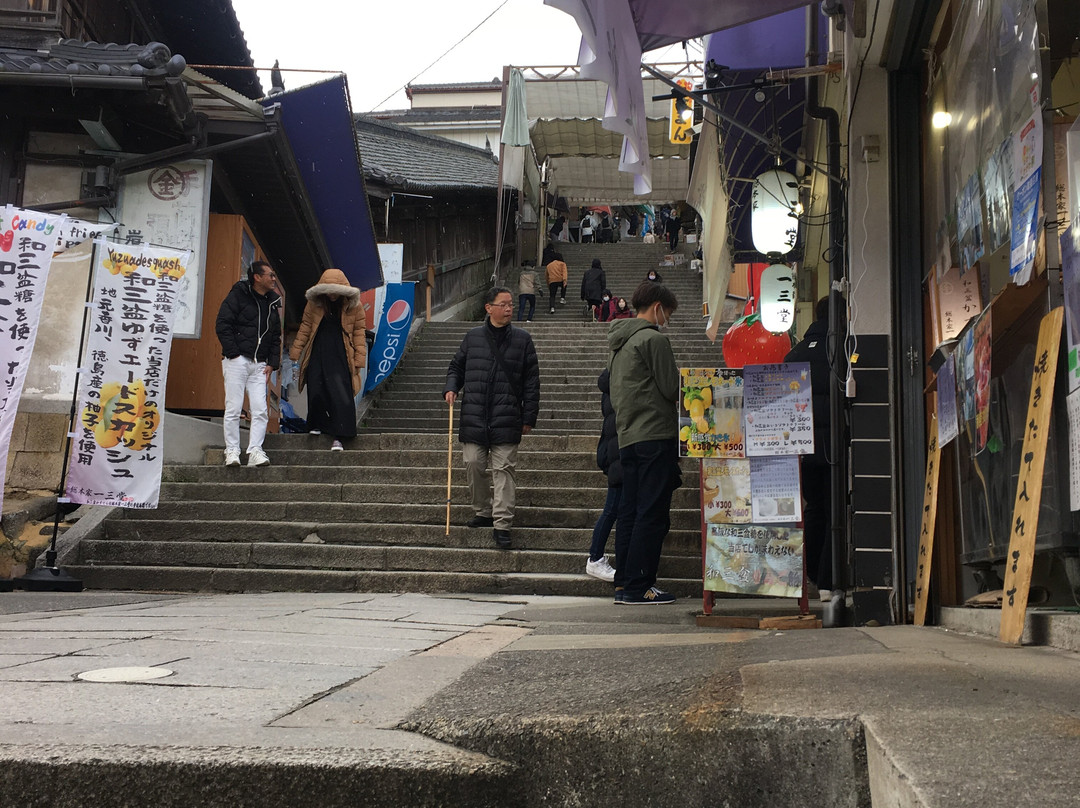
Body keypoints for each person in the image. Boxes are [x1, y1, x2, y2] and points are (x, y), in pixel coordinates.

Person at [444, 287, 541, 549]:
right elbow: (456, 366)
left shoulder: (523, 340)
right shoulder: (473, 337)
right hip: (475, 415)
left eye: (511, 304)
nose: (509, 309)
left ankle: (502, 523)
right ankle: (483, 510)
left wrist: (529, 415)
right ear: (489, 308)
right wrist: (451, 387)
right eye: (504, 304)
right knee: (473, 463)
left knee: (504, 470)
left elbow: (532, 382)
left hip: (507, 416)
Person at [607, 281, 681, 604]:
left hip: (628, 439)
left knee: (629, 511)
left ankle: (624, 583)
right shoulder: (653, 340)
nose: (667, 320)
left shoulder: (619, 344)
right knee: (652, 513)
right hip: (655, 435)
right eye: (667, 314)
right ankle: (641, 585)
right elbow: (671, 388)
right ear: (656, 308)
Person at [785, 296, 834, 599]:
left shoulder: (794, 354)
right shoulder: (841, 349)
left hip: (802, 449)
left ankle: (812, 573)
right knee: (834, 511)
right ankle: (829, 581)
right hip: (834, 448)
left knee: (814, 508)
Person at [289, 268, 367, 452]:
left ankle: (340, 436)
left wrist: (359, 359)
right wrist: (296, 351)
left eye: (335, 290)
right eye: (328, 290)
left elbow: (359, 333)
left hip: (342, 352)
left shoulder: (354, 306)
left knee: (340, 393)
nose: (332, 295)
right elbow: (306, 327)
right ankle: (317, 423)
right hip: (318, 350)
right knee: (316, 387)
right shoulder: (314, 304)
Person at [215, 259, 282, 468]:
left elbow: (275, 336)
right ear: (257, 277)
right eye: (270, 275)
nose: (273, 279)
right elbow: (222, 323)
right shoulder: (238, 295)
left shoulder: (272, 302)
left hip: (260, 364)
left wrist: (272, 362)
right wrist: (233, 353)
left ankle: (255, 451)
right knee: (234, 407)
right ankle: (232, 450)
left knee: (261, 409)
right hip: (237, 360)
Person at [586, 368, 620, 582]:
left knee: (613, 508)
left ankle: (596, 557)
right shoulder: (618, 380)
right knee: (612, 508)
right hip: (618, 452)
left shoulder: (610, 380)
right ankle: (595, 557)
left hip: (612, 449)